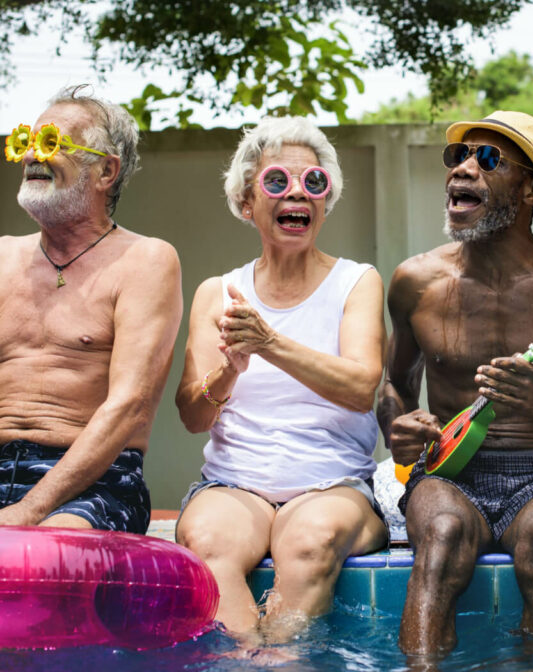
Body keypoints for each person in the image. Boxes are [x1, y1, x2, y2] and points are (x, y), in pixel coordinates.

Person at [378, 110, 533, 656]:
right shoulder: (415, 281)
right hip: (448, 472)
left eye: (488, 159)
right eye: (458, 156)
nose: (462, 170)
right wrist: (397, 424)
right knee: (443, 538)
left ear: (530, 189)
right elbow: (392, 385)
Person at [174, 116, 388, 645]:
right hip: (235, 485)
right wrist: (229, 371)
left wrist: (270, 344)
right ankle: (254, 657)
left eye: (314, 183)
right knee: (206, 541)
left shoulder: (356, 282)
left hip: (332, 483)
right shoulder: (217, 291)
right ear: (248, 203)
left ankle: (279, 659)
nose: (298, 193)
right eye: (277, 181)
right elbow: (192, 416)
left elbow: (362, 388)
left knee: (309, 542)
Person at [0, 85, 181, 532]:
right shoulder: (2, 256)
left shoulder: (146, 260)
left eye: (51, 144)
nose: (31, 157)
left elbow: (128, 405)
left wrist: (28, 509)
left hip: (98, 480)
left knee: (50, 551)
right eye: (27, 141)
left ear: (105, 171)